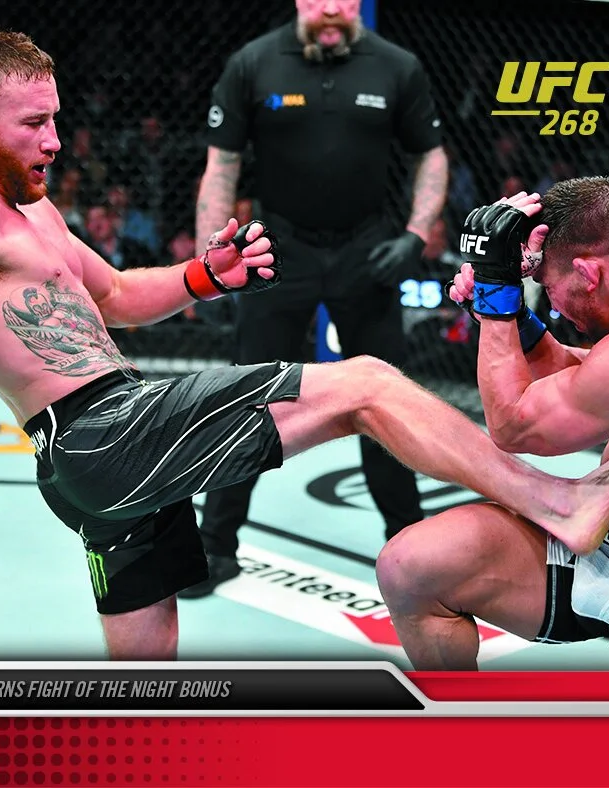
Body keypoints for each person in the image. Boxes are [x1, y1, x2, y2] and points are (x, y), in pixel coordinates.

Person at [0, 27, 609, 662]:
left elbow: (115, 299)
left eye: (55, 119)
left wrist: (205, 277)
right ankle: (555, 504)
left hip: (99, 458)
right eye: (33, 125)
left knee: (147, 669)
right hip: (102, 430)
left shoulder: (26, 204)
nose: (54, 140)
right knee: (366, 381)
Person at [376, 181, 609, 671]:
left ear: (588, 273)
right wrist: (512, 317)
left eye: (549, 287)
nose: (552, 306)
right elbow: (589, 379)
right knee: (410, 567)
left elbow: (513, 429)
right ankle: (460, 715)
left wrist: (495, 296)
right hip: (595, 546)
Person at [184, 0, 450, 597]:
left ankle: (413, 545)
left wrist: (415, 235)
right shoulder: (253, 63)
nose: (331, 8)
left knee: (389, 401)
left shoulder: (396, 65)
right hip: (277, 248)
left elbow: (429, 155)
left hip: (367, 248)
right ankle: (216, 545)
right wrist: (211, 263)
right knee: (246, 399)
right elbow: (221, 166)